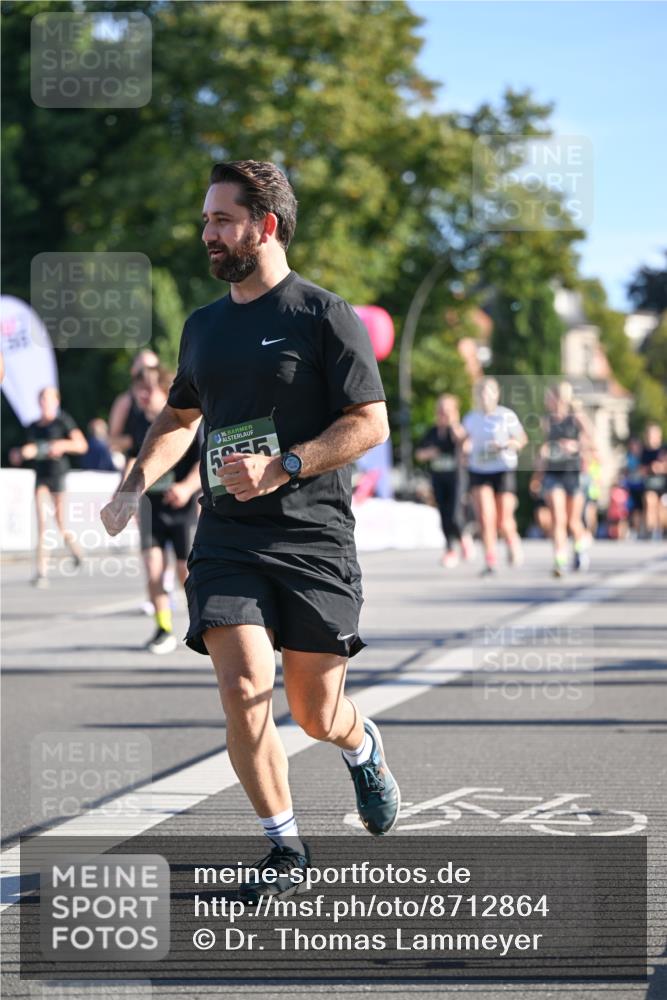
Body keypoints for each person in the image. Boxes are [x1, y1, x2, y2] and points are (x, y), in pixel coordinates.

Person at [101, 159, 400, 898]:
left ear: (264, 226)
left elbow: (370, 423)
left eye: (221, 219)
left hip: (313, 539)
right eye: (206, 219)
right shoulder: (203, 326)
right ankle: (284, 849)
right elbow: (179, 417)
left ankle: (360, 747)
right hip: (228, 537)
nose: (207, 232)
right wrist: (133, 485)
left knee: (314, 710)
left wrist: (287, 464)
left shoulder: (324, 317)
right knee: (242, 688)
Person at [125, 368, 203, 653]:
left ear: (163, 391)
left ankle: (200, 622)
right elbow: (132, 459)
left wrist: (184, 488)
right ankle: (163, 628)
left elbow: (202, 463)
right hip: (151, 508)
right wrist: (124, 495)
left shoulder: (186, 419)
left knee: (185, 570)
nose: (142, 396)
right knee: (153, 568)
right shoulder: (136, 422)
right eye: (139, 391)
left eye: (148, 390)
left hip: (181, 507)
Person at [9, 386, 88, 586]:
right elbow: (22, 452)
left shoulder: (63, 422)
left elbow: (81, 445)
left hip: (58, 476)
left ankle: (77, 552)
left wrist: (61, 445)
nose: (45, 403)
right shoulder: (33, 426)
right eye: (42, 399)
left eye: (49, 399)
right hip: (41, 478)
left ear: (56, 402)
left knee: (61, 524)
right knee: (43, 525)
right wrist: (20, 454)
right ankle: (41, 572)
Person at [462, 377, 527, 576]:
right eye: (481, 392)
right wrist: (465, 449)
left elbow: (521, 440)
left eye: (489, 392)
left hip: (503, 468)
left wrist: (506, 445)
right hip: (479, 470)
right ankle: (490, 559)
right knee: (485, 517)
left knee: (503, 520)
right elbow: (464, 443)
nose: (485, 396)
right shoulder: (471, 418)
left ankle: (511, 539)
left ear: (496, 394)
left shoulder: (506, 415)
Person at [539, 382, 595, 576]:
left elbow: (592, 442)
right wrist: (538, 471)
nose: (549, 401)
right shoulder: (546, 421)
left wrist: (575, 446)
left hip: (573, 473)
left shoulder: (576, 418)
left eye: (552, 397)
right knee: (558, 518)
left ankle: (580, 549)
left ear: (561, 399)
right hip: (553, 474)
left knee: (572, 521)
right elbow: (542, 447)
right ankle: (559, 560)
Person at [415, 394, 473, 567]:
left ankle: (463, 537)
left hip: (456, 477)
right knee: (443, 514)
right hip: (438, 477)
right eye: (440, 410)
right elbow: (419, 454)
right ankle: (450, 549)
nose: (443, 414)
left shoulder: (456, 431)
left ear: (454, 411)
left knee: (455, 513)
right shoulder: (432, 432)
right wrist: (430, 453)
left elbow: (467, 447)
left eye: (447, 410)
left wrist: (455, 426)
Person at [639, 423, 666, 539]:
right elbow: (640, 469)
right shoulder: (644, 451)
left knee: (661, 509)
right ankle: (651, 531)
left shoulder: (664, 449)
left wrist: (661, 467)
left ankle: (661, 529)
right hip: (650, 484)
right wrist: (650, 468)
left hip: (664, 484)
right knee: (650, 502)